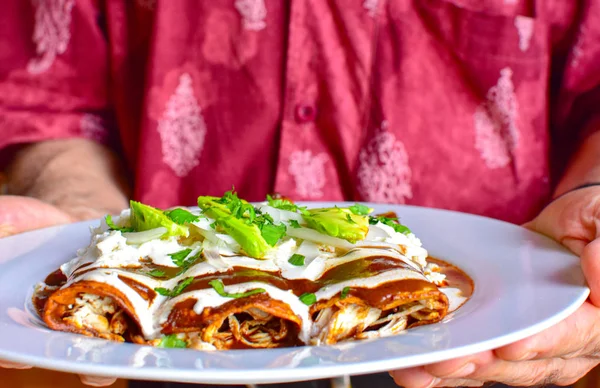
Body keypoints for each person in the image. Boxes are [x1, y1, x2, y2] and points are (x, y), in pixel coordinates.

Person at [1, 0, 600, 387]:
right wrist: (78, 224)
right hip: (170, 356)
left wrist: (591, 202)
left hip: (483, 339)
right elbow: (54, 98)